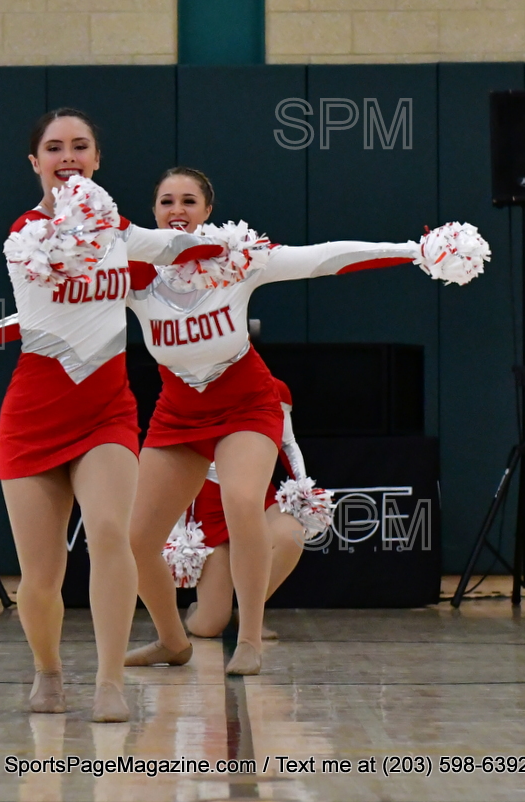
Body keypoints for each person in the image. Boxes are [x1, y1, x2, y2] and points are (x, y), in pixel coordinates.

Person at [122, 166, 470, 675]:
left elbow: (323, 258)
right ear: (153, 212)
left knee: (244, 502)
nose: (177, 210)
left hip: (246, 406)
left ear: (208, 211)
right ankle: (172, 640)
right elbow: (67, 309)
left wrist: (414, 250)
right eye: (167, 201)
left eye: (189, 201)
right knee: (136, 538)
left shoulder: (237, 259)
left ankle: (250, 639)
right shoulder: (134, 274)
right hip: (179, 413)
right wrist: (1, 329)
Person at [0, 111, 222, 721]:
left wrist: (238, 252)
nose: (68, 156)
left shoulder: (122, 234)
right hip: (33, 416)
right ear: (35, 163)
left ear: (97, 159)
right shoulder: (25, 234)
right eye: (54, 147)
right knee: (40, 574)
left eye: (80, 146)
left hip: (106, 412)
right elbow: (36, 317)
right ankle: (48, 671)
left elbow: (182, 249)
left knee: (111, 532)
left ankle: (110, 682)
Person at [170, 379, 311, 639]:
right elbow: (180, 452)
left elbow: (287, 443)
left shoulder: (273, 388)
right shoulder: (195, 387)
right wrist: (179, 522)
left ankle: (249, 617)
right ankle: (203, 610)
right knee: (208, 626)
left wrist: (304, 490)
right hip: (210, 506)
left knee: (291, 535)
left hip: (255, 495)